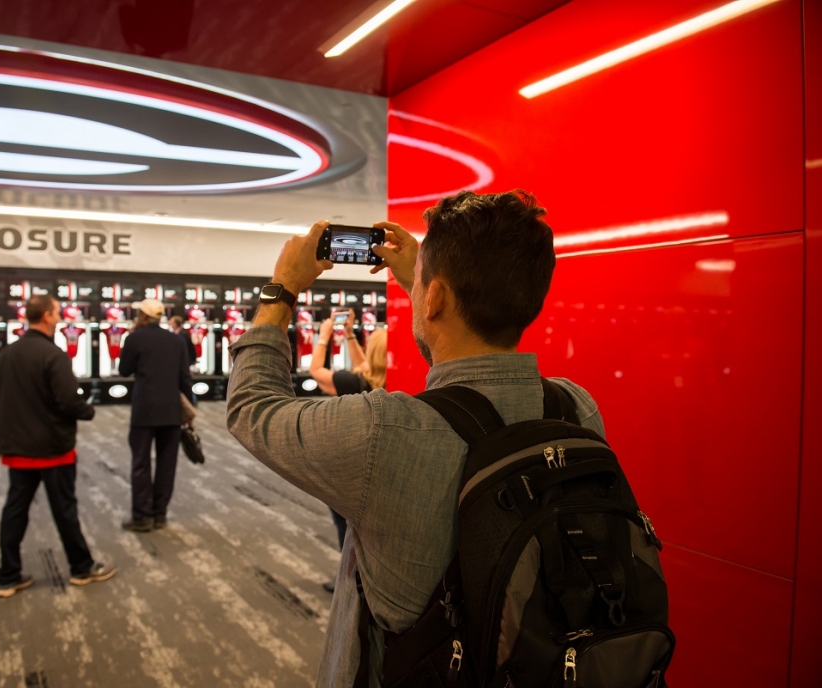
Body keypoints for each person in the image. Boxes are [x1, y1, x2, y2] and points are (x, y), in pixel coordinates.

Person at [227, 190, 605, 686]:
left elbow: (252, 407)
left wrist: (283, 287)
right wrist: (424, 285)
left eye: (426, 281)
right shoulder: (577, 408)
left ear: (437, 297)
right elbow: (471, 397)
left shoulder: (383, 431)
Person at [0, 295, 116, 598]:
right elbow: (68, 400)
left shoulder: (9, 353)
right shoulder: (53, 355)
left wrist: (1, 437)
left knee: (14, 511)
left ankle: (7, 576)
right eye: (57, 312)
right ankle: (81, 567)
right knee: (65, 510)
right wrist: (88, 410)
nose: (60, 317)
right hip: (52, 449)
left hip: (18, 449)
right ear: (46, 316)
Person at [308, 312, 387, 592]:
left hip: (354, 462)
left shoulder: (354, 383)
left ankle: (351, 579)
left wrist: (324, 336)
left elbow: (316, 371)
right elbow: (365, 364)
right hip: (384, 462)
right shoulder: (388, 381)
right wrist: (351, 335)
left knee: (346, 525)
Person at [119, 300, 195, 532]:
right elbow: (184, 377)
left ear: (142, 316)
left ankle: (142, 516)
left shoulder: (134, 338)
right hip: (171, 410)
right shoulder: (176, 340)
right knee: (166, 463)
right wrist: (190, 410)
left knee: (141, 463)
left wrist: (131, 339)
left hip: (144, 410)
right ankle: (159, 513)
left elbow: (124, 370)